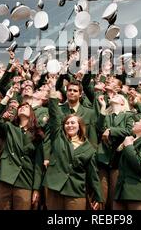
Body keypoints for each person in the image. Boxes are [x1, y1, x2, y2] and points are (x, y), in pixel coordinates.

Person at [43, 79, 103, 210]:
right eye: (69, 90)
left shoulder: (89, 113)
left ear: (80, 94)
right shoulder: (59, 117)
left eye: (75, 90)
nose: (70, 125)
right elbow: (51, 129)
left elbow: (92, 136)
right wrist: (47, 156)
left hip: (77, 181)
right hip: (57, 170)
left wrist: (97, 196)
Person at [0, 88, 44, 210]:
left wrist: (36, 188)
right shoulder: (10, 127)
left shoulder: (37, 135)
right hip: (5, 177)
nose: (22, 107)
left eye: (26, 107)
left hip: (25, 179)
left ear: (32, 114)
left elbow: (37, 165)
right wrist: (6, 98)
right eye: (20, 107)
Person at [96, 93, 133, 210]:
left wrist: (111, 130)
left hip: (119, 158)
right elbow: (99, 128)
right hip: (103, 157)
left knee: (114, 192)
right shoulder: (106, 116)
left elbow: (130, 131)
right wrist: (103, 107)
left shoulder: (128, 115)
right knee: (102, 192)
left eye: (117, 96)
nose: (114, 96)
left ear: (123, 102)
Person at [113, 117, 141, 210]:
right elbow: (115, 164)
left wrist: (129, 146)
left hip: (136, 192)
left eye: (138, 121)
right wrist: (120, 148)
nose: (135, 122)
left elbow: (140, 165)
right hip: (120, 191)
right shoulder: (130, 141)